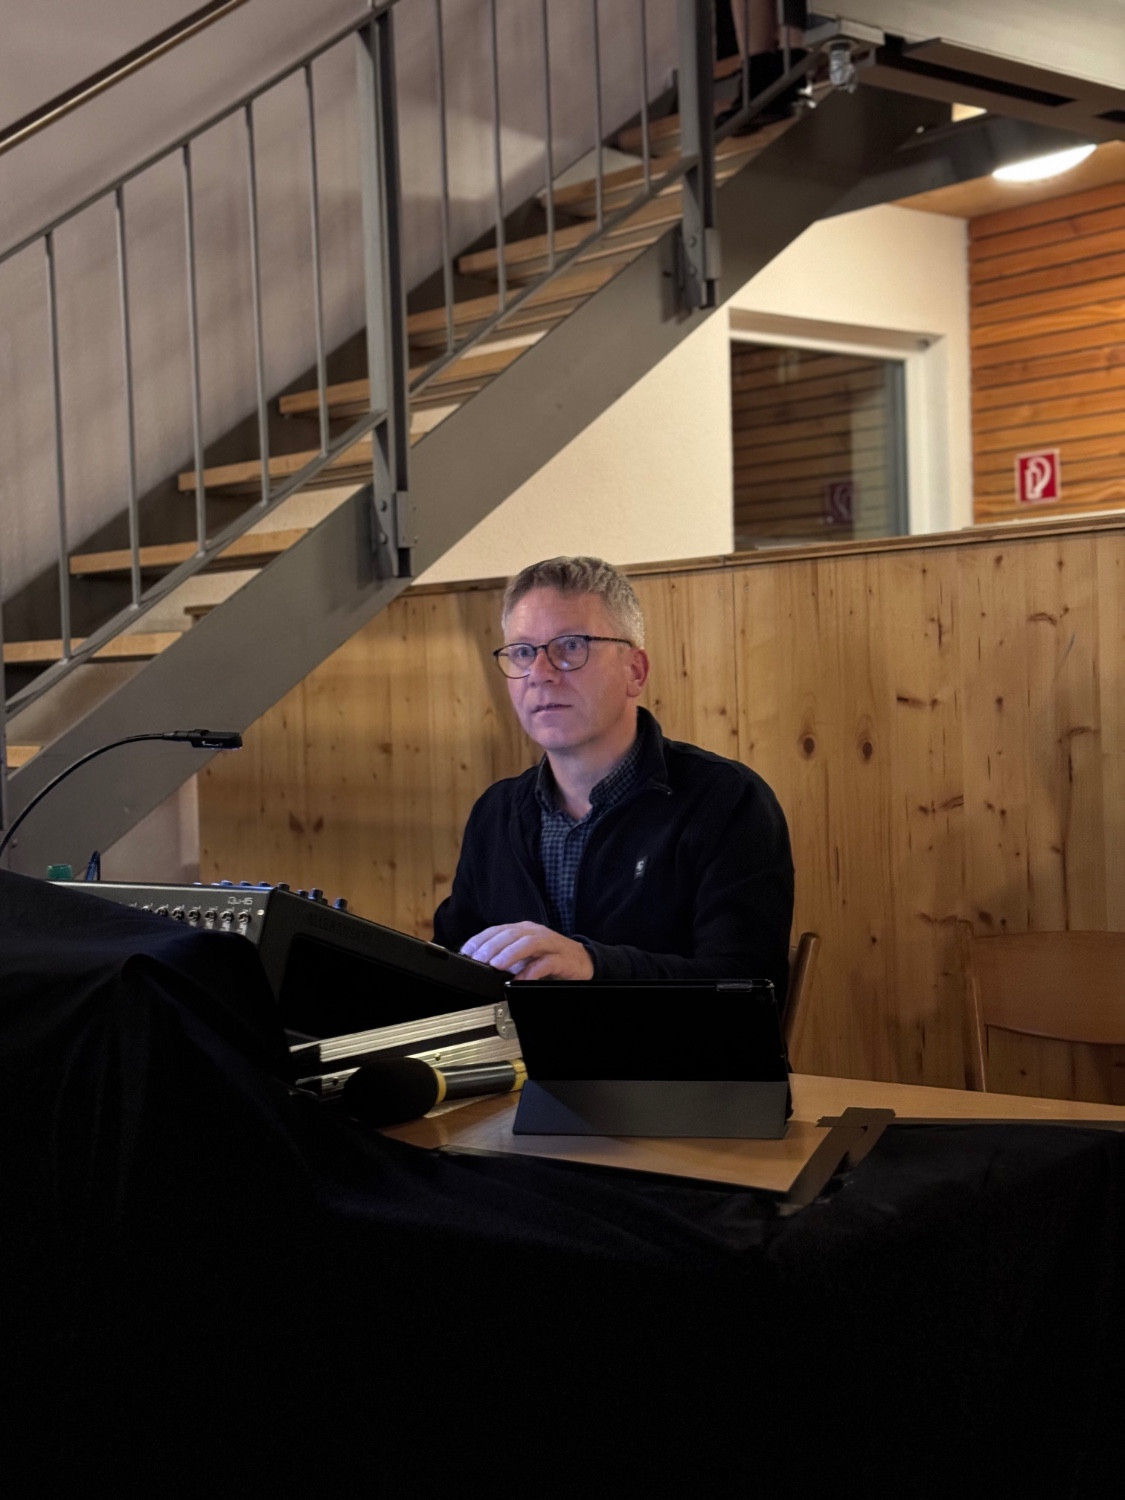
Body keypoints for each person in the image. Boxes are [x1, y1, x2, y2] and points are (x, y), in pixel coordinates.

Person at [433, 557, 794, 1001]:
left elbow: (749, 990)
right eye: (523, 652)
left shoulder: (727, 800)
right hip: (517, 1050)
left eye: (571, 646)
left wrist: (594, 965)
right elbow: (448, 968)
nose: (540, 674)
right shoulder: (496, 812)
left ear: (635, 671)